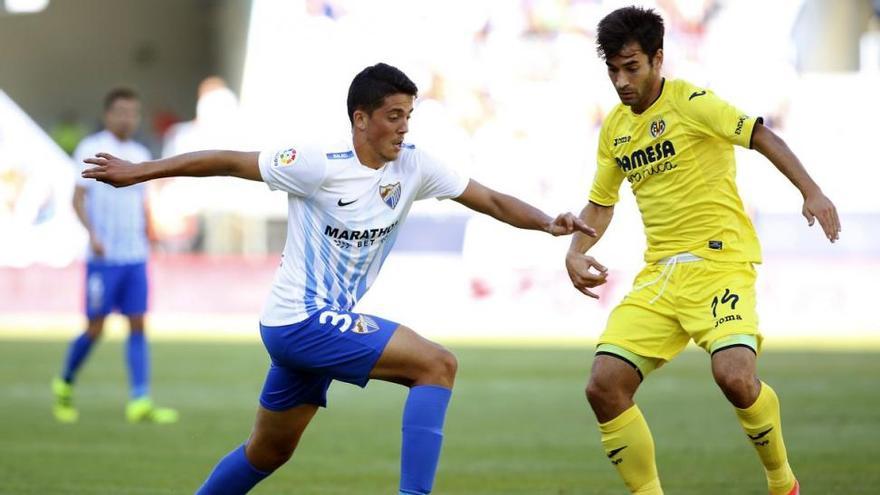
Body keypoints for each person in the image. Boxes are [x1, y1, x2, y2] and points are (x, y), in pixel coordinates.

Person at [81, 63, 595, 495]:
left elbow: (492, 200)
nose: (403, 128)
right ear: (361, 118)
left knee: (269, 451)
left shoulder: (414, 167)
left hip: (315, 327)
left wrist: (548, 222)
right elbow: (228, 161)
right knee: (437, 365)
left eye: (409, 117)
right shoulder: (316, 163)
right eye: (394, 116)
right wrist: (141, 170)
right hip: (299, 321)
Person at [565, 7, 840, 495]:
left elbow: (760, 134)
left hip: (720, 264)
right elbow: (601, 204)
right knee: (602, 385)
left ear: (657, 59)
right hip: (661, 278)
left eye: (632, 67)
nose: (622, 81)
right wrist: (575, 250)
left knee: (734, 376)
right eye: (613, 69)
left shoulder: (692, 102)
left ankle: (783, 484)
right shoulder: (615, 129)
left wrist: (811, 191)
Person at [52, 88, 178, 425]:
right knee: (95, 328)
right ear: (108, 114)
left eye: (132, 112)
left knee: (138, 324)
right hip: (103, 259)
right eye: (120, 111)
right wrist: (92, 234)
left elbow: (142, 204)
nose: (127, 118)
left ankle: (140, 400)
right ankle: (64, 381)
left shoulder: (139, 153)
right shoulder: (91, 149)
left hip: (134, 256)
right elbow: (77, 198)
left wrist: (152, 237)